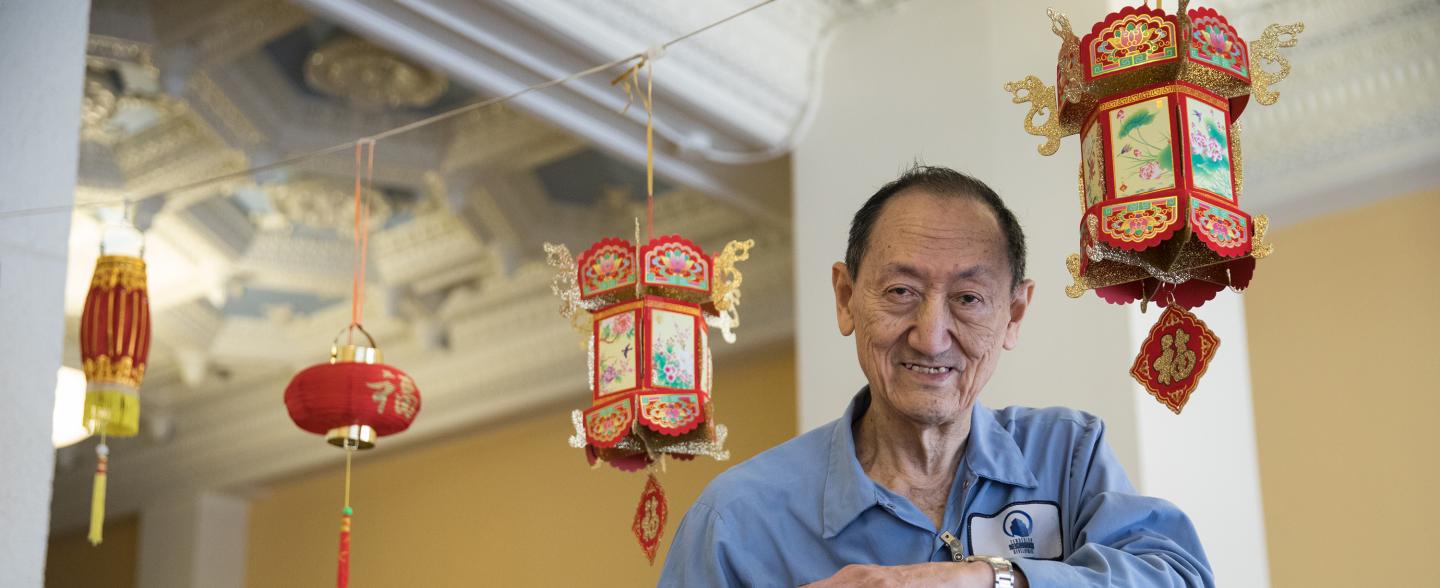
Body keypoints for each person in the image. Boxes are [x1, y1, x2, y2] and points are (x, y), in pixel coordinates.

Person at [659, 166, 1213, 587]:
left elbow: (1180, 576)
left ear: (1013, 315)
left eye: (969, 299)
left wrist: (991, 579)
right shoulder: (735, 520)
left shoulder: (1066, 455)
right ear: (847, 298)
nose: (931, 336)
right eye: (901, 292)